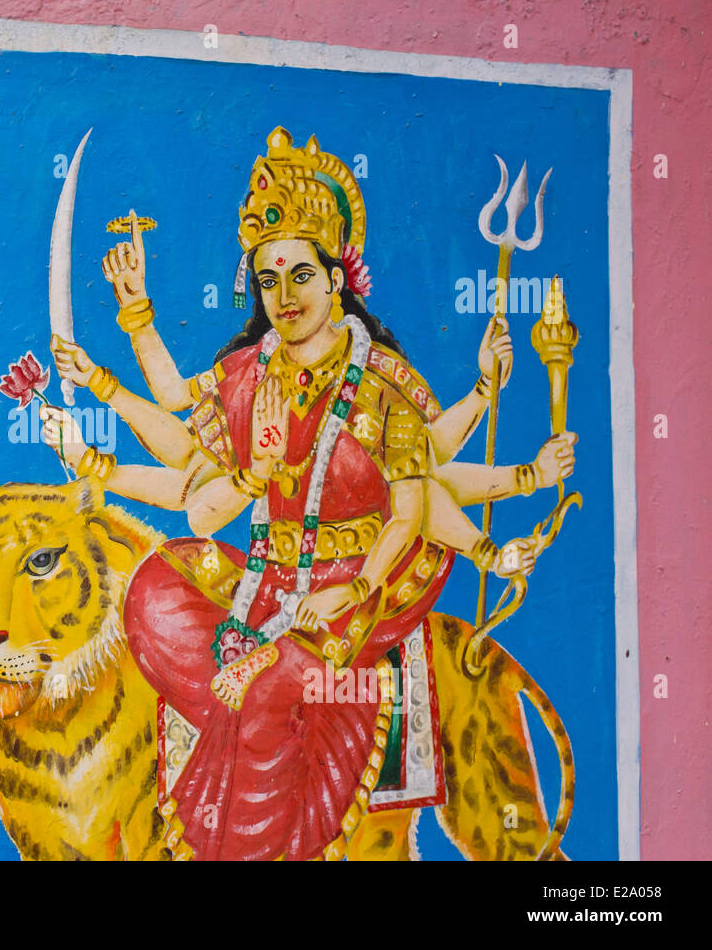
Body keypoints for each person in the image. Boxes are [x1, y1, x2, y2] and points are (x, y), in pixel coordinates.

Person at [37, 127, 577, 860]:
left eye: (300, 276)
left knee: (268, 683)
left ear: (335, 279)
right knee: (151, 591)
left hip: (357, 594)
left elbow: (416, 505)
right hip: (264, 583)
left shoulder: (383, 385)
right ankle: (253, 687)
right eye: (268, 280)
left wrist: (359, 590)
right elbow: (179, 426)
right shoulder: (251, 374)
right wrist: (135, 315)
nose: (284, 296)